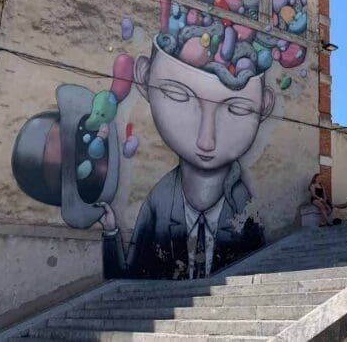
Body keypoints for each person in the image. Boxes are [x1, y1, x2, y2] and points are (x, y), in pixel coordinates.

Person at [96, 38, 273, 279]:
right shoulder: (160, 200)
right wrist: (110, 233)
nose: (206, 141)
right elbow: (130, 276)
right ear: (144, 77)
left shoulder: (243, 205)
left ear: (265, 105)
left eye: (236, 109)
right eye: (178, 95)